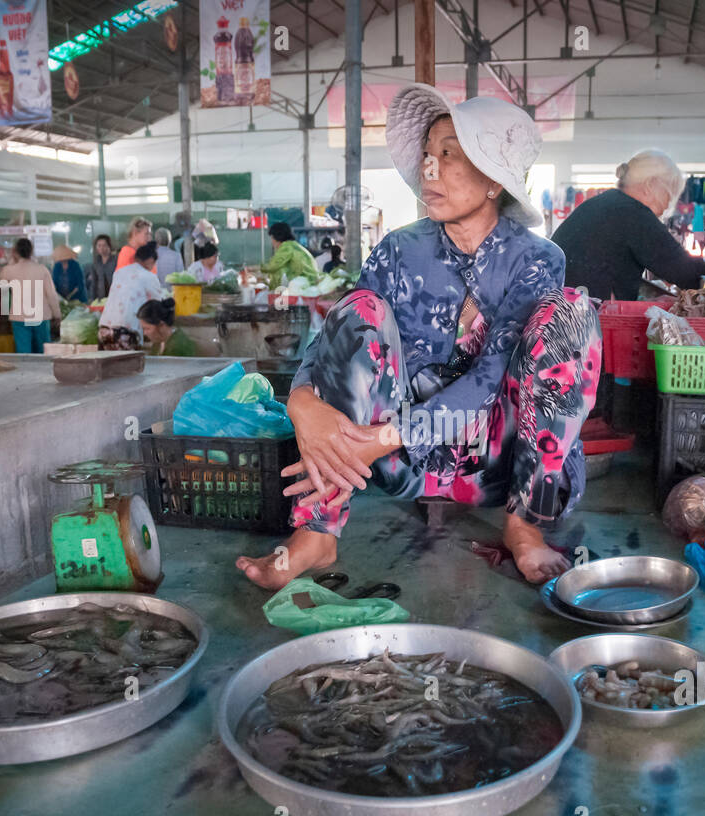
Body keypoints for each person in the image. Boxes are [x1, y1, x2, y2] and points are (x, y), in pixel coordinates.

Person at [236, 83, 601, 589]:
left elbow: (493, 375)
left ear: (495, 179)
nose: (429, 169)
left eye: (449, 155)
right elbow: (336, 338)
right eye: (428, 154)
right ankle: (318, 532)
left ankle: (524, 526)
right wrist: (302, 402)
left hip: (498, 461)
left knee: (570, 315)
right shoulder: (398, 250)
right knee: (358, 306)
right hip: (395, 462)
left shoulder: (537, 259)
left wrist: (386, 436)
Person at [552, 149, 705, 300]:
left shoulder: (606, 203)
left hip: (562, 309)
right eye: (668, 196)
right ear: (651, 184)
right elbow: (684, 271)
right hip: (583, 318)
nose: (666, 207)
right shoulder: (634, 213)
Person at [0, 237, 60, 354]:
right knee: (43, 352)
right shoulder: (42, 269)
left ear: (15, 252)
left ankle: (25, 372)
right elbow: (51, 295)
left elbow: (1, 289)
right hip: (41, 316)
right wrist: (57, 314)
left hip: (19, 317)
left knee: (23, 353)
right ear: (31, 251)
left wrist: (12, 261)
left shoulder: (8, 271)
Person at [98, 240, 164, 350]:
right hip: (126, 331)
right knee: (128, 366)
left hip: (103, 329)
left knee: (107, 366)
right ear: (151, 261)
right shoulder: (149, 276)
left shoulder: (119, 272)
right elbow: (158, 304)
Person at [260, 221, 319, 287]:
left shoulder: (286, 247)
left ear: (276, 237)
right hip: (311, 281)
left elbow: (272, 266)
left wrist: (258, 268)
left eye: (272, 238)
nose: (272, 241)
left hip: (306, 283)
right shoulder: (293, 245)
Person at [86, 234, 116, 300]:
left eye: (104, 245)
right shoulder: (96, 262)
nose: (101, 248)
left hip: (115, 294)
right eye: (99, 245)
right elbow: (94, 282)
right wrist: (92, 299)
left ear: (109, 246)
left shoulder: (116, 260)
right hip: (101, 296)